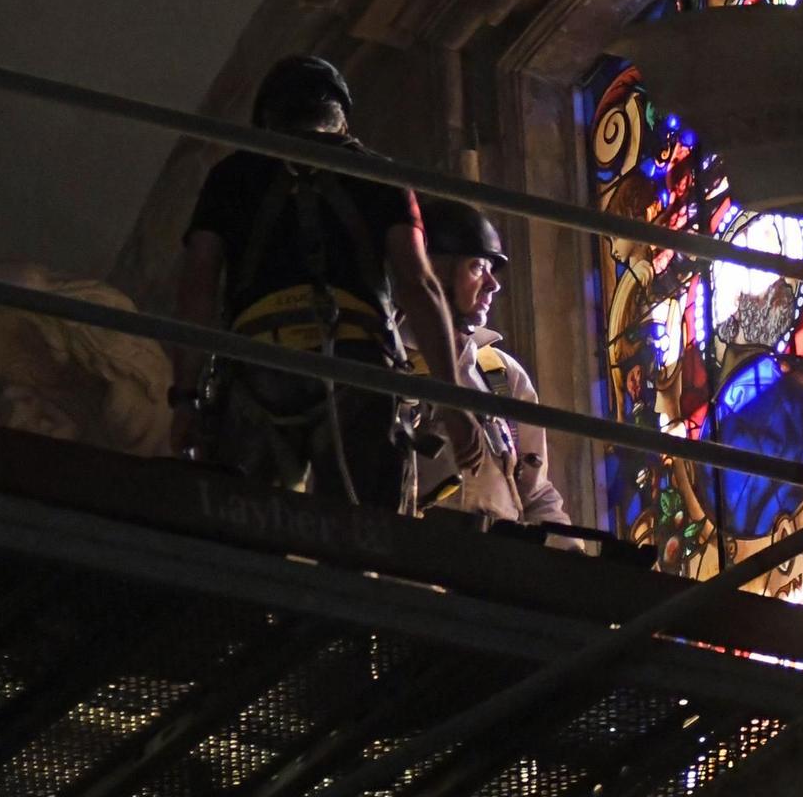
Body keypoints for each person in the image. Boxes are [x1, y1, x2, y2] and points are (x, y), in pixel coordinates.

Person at [168, 55, 483, 505]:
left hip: (259, 359)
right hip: (357, 363)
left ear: (265, 119)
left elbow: (197, 285)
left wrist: (185, 399)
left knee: (246, 535)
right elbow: (419, 284)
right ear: (341, 120)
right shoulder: (382, 176)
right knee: (364, 540)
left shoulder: (230, 176)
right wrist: (453, 401)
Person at [408, 197, 570, 529]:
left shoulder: (500, 372)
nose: (493, 284)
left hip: (501, 565)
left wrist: (569, 555)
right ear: (433, 270)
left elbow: (535, 495)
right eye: (477, 267)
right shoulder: (389, 362)